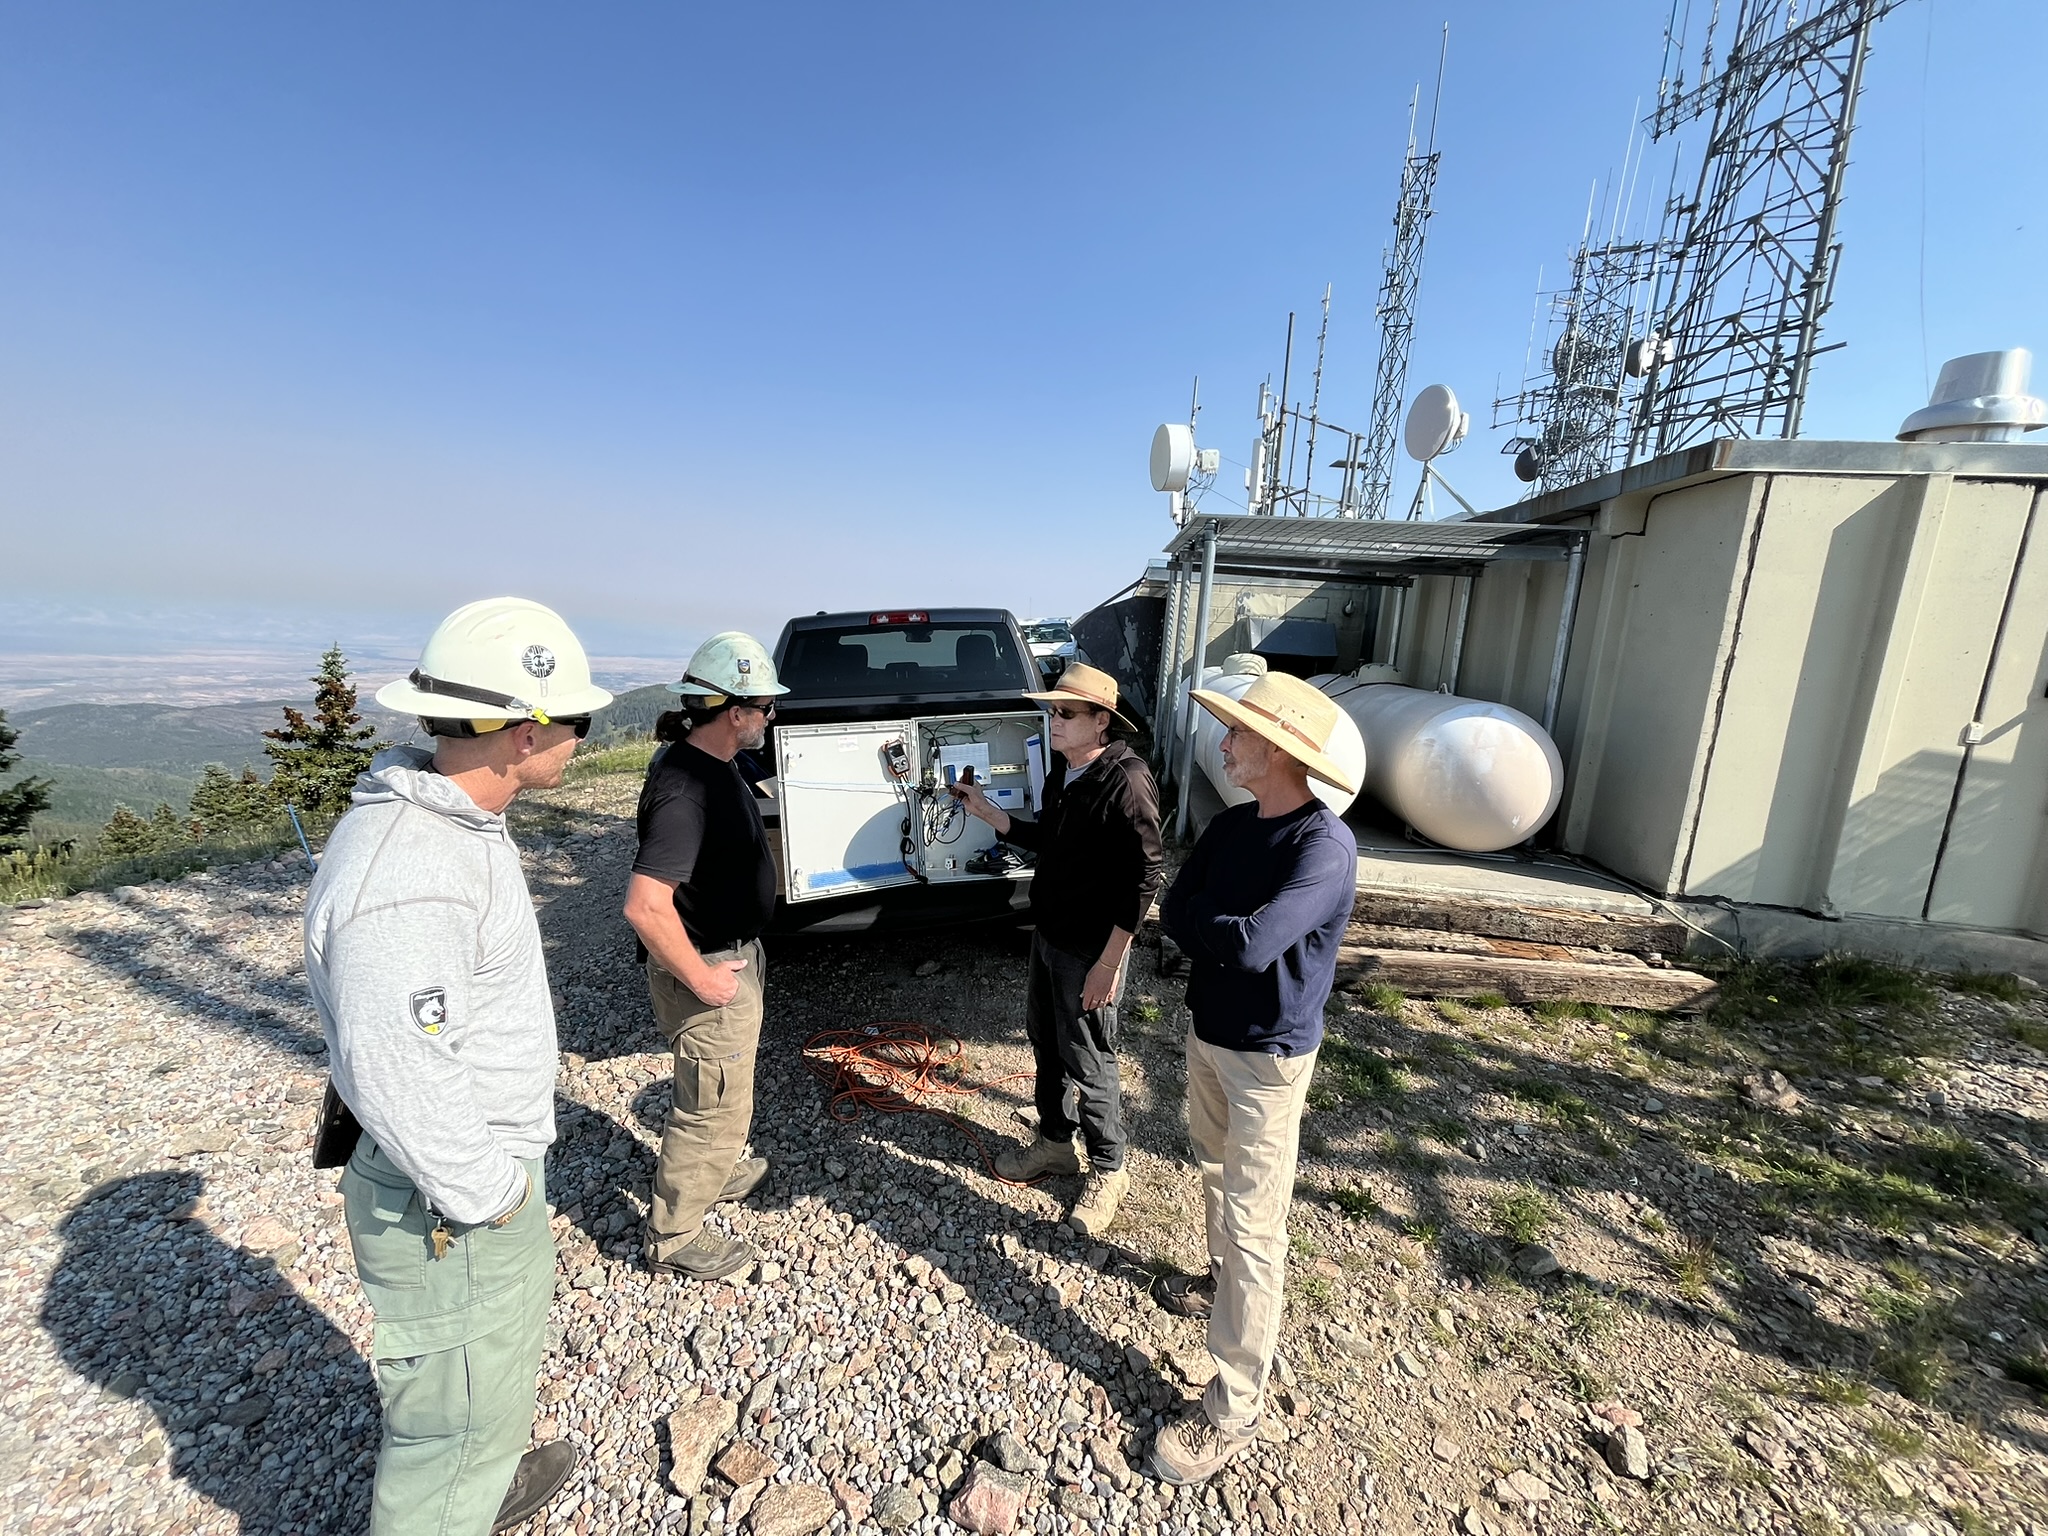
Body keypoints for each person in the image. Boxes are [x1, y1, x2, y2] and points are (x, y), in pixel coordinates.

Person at [306, 597, 613, 1535]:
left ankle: (480, 1484)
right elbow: (398, 1067)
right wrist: (494, 1196)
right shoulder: (410, 875)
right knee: (449, 1414)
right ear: (524, 734)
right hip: (450, 1198)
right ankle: (451, 1504)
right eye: (578, 721)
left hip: (463, 1180)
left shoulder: (455, 822)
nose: (580, 738)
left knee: (479, 1378)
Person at [1149, 670, 1359, 1486]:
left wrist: (1210, 927)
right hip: (1209, 1034)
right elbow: (1177, 911)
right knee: (1212, 1170)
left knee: (1254, 1224)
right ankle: (1218, 1282)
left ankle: (1233, 1410)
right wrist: (1213, 927)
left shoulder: (1322, 848)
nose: (1226, 744)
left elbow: (1249, 944)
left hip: (1269, 1059)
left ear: (1279, 750)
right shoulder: (1234, 825)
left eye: (1238, 734)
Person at [951, 662, 1162, 1236]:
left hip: (1089, 950)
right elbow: (1048, 838)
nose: (1054, 721)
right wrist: (989, 813)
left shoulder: (1127, 780)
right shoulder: (1063, 773)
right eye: (1051, 711)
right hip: (1050, 938)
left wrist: (1109, 963)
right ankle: (1053, 1143)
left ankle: (1109, 1168)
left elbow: (1145, 878)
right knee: (1047, 1043)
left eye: (1066, 713)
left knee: (1090, 1060)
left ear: (1102, 722)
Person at [623, 631, 788, 1281]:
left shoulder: (710, 763)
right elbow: (644, 905)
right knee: (712, 1107)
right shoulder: (685, 790)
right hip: (708, 968)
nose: (771, 717)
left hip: (733, 954)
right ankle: (674, 1235)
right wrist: (700, 977)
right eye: (765, 707)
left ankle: (716, 1170)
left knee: (723, 1092)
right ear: (736, 713)